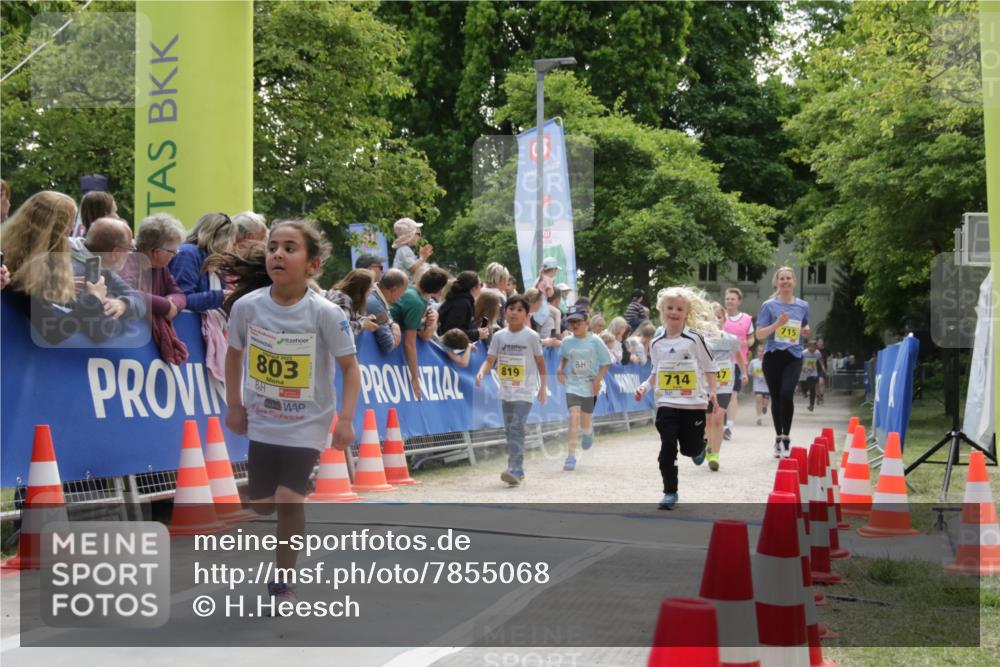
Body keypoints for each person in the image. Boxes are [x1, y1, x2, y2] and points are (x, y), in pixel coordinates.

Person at [225, 219, 360, 604]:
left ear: (312, 265)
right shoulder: (247, 308)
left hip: (307, 423)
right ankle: (278, 501)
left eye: (289, 248)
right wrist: (234, 405)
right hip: (263, 421)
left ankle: (283, 580)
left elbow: (351, 369)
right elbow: (233, 356)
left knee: (288, 499)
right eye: (272, 248)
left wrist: (346, 419)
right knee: (263, 505)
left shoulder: (324, 313)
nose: (278, 254)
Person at [634, 286, 718, 509]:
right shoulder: (655, 342)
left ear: (686, 312)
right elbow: (655, 371)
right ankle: (670, 492)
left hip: (693, 404)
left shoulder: (694, 339)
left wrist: (713, 391)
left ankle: (700, 446)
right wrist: (644, 387)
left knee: (689, 449)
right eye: (669, 307)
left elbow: (709, 366)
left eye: (679, 308)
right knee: (667, 447)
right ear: (662, 310)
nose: (674, 312)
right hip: (667, 403)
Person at [2, 191, 115, 343]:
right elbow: (52, 332)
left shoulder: (13, 256)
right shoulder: (28, 273)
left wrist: (56, 290)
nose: (69, 233)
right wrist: (94, 299)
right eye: (69, 226)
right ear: (58, 231)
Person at [475, 295, 547, 486]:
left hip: (526, 390)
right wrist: (482, 372)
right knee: (510, 430)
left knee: (516, 426)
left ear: (526, 315)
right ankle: (519, 469)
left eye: (519, 310)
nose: (514, 312)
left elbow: (541, 363)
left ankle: (513, 468)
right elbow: (490, 360)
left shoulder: (532, 336)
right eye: (511, 308)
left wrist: (543, 387)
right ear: (504, 311)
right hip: (506, 390)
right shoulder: (499, 336)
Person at [756, 266, 811, 458]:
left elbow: (805, 324)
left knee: (787, 394)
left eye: (789, 278)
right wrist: (777, 324)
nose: (786, 281)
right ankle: (778, 437)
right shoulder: (769, 306)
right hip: (772, 357)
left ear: (794, 282)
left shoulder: (803, 305)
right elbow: (760, 334)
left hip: (793, 356)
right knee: (776, 397)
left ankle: (786, 437)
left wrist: (806, 330)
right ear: (777, 282)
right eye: (782, 279)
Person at [120, 213, 189, 364]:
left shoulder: (160, 268)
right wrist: (165, 306)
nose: (175, 255)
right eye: (173, 251)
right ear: (156, 252)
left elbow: (179, 294)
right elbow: (126, 293)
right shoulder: (127, 262)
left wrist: (172, 303)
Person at [557, 304, 611, 471]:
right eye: (571, 322)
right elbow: (564, 357)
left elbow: (606, 362)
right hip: (572, 384)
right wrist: (560, 368)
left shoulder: (595, 341)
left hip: (589, 385)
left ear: (586, 322)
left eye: (578, 322)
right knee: (573, 418)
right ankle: (571, 456)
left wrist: (598, 379)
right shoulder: (566, 341)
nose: (574, 325)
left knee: (585, 421)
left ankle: (588, 432)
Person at [68, 217, 147, 322]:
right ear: (115, 253)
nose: (131, 254)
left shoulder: (101, 265)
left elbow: (138, 299)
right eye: (130, 249)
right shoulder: (76, 272)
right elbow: (102, 329)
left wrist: (123, 304)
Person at [390, 267, 448, 400]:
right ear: (438, 291)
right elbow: (411, 343)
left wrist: (422, 321)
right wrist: (415, 377)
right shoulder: (417, 303)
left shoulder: (409, 289)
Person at [168, 212, 237, 312]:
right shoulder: (188, 253)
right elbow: (182, 299)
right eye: (231, 241)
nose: (232, 246)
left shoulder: (214, 261)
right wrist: (222, 295)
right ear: (222, 239)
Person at [704, 303, 743, 471]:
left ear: (724, 319)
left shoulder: (731, 339)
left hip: (724, 384)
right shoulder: (699, 339)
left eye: (718, 317)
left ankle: (714, 455)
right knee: (709, 420)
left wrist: (744, 372)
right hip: (705, 384)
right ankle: (709, 444)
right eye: (711, 317)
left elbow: (738, 356)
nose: (715, 320)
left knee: (718, 417)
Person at [721, 287, 754, 441]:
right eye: (727, 299)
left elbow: (752, 339)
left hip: (738, 361)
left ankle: (729, 426)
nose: (729, 301)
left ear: (739, 301)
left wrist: (745, 342)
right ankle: (716, 423)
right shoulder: (720, 317)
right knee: (719, 393)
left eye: (733, 299)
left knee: (733, 394)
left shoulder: (747, 319)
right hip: (720, 361)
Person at [437, 270, 489, 343]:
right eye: (481, 285)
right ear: (473, 288)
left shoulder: (460, 299)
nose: (482, 288)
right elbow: (453, 331)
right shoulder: (462, 303)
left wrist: (475, 329)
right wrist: (477, 333)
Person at [326, 269, 379, 337]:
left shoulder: (341, 295)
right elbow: (342, 329)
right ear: (361, 290)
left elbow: (349, 318)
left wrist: (363, 320)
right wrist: (363, 324)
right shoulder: (343, 300)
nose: (372, 290)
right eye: (370, 287)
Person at [366, 268, 407, 354]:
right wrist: (396, 335)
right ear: (394, 289)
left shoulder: (374, 293)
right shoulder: (376, 305)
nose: (402, 296)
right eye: (403, 291)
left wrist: (392, 323)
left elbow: (387, 318)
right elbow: (388, 346)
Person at [481, 262, 510, 326]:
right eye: (507, 279)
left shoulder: (480, 292)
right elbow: (501, 321)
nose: (507, 282)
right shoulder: (499, 297)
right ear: (501, 280)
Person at [749, 345, 770, 425]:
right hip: (757, 384)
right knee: (758, 398)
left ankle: (764, 407)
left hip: (767, 386)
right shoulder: (753, 362)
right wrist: (753, 374)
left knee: (765, 402)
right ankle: (759, 418)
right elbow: (749, 372)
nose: (761, 353)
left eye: (762, 351)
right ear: (757, 352)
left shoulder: (769, 361)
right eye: (759, 351)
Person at [802, 340, 825, 412]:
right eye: (812, 348)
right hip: (804, 372)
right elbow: (799, 361)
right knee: (803, 385)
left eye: (814, 348)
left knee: (812, 389)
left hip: (813, 372)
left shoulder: (817, 352)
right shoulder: (804, 353)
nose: (813, 350)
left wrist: (823, 367)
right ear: (808, 347)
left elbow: (820, 360)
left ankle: (811, 405)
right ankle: (804, 392)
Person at [815, 338, 829, 405]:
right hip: (815, 368)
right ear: (817, 343)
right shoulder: (814, 350)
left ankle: (822, 396)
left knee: (821, 382)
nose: (820, 343)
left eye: (821, 342)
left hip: (823, 368)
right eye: (819, 342)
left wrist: (829, 360)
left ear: (823, 343)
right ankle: (818, 397)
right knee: (816, 384)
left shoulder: (826, 350)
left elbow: (830, 355)